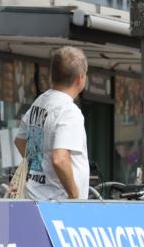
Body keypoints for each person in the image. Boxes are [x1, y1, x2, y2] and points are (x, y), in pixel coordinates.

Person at [13, 46, 90, 200]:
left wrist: (39, 168)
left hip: (34, 196)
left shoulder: (40, 102)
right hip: (58, 204)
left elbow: (20, 141)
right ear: (80, 78)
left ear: (51, 76)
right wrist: (74, 197)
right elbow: (60, 159)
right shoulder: (69, 111)